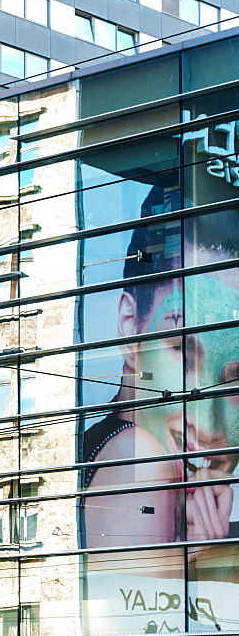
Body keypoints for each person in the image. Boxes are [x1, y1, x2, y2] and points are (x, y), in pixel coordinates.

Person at [83, 203, 239, 552]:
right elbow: (134, 602)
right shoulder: (138, 460)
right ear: (130, 328)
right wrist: (201, 562)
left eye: (236, 379)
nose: (207, 420)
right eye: (183, 352)